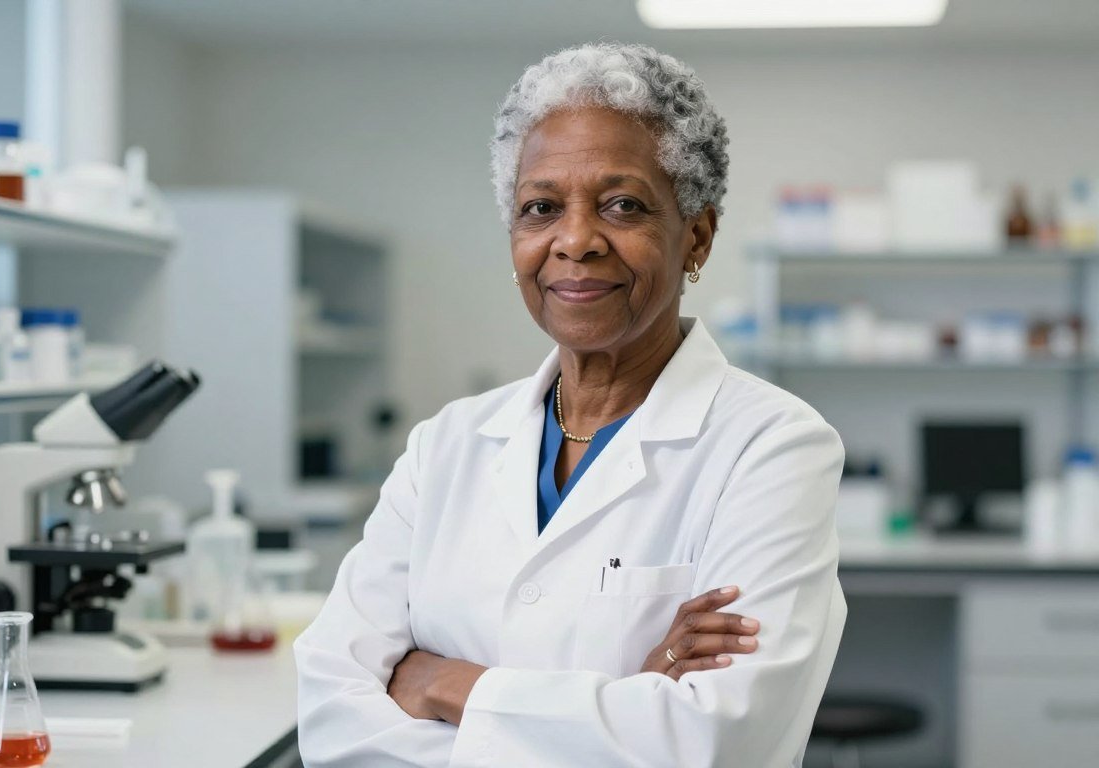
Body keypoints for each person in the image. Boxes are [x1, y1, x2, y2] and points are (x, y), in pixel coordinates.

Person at [296, 41, 846, 767]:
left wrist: (446, 685)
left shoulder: (773, 447)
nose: (576, 240)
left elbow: (715, 742)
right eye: (541, 208)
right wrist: (626, 703)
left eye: (623, 205)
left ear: (697, 237)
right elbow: (333, 712)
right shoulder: (445, 446)